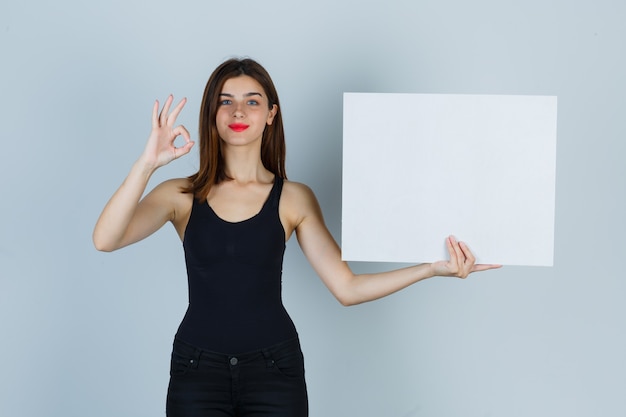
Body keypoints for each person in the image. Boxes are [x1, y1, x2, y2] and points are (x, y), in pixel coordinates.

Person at [93, 57, 501, 417]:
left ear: (271, 114)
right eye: (226, 101)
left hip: (274, 371)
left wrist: (432, 268)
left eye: (252, 101)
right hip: (196, 372)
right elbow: (105, 239)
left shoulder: (293, 198)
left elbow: (347, 288)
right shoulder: (181, 195)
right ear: (212, 114)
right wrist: (148, 163)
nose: (238, 110)